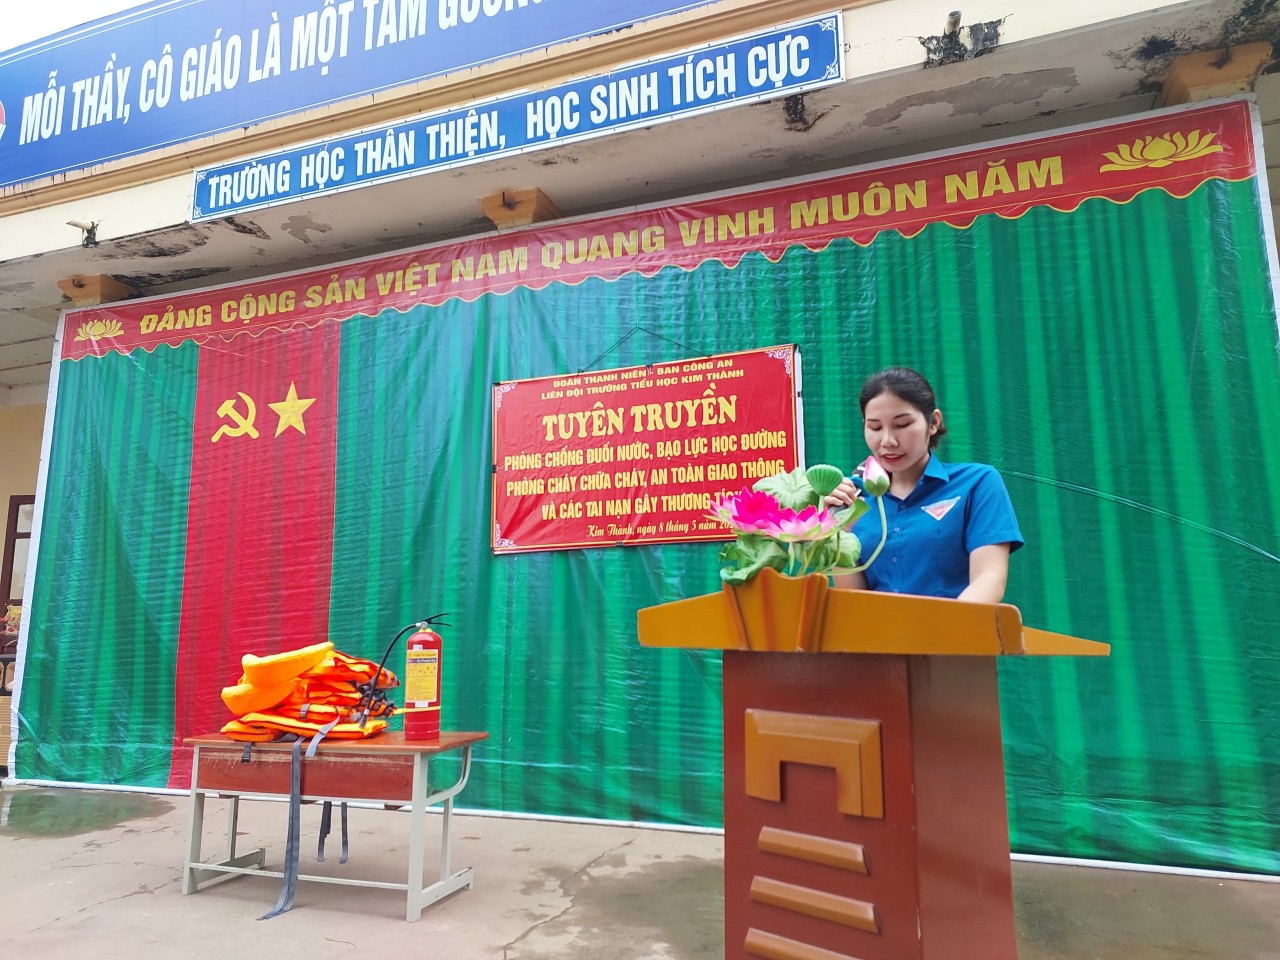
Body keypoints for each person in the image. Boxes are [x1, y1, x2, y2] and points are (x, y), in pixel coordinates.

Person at [826, 367, 1022, 603]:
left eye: (902, 424)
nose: (888, 441)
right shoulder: (854, 498)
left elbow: (989, 578)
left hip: (957, 625)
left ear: (933, 422)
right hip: (876, 627)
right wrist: (835, 532)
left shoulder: (977, 483)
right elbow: (853, 600)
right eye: (875, 427)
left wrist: (941, 626)